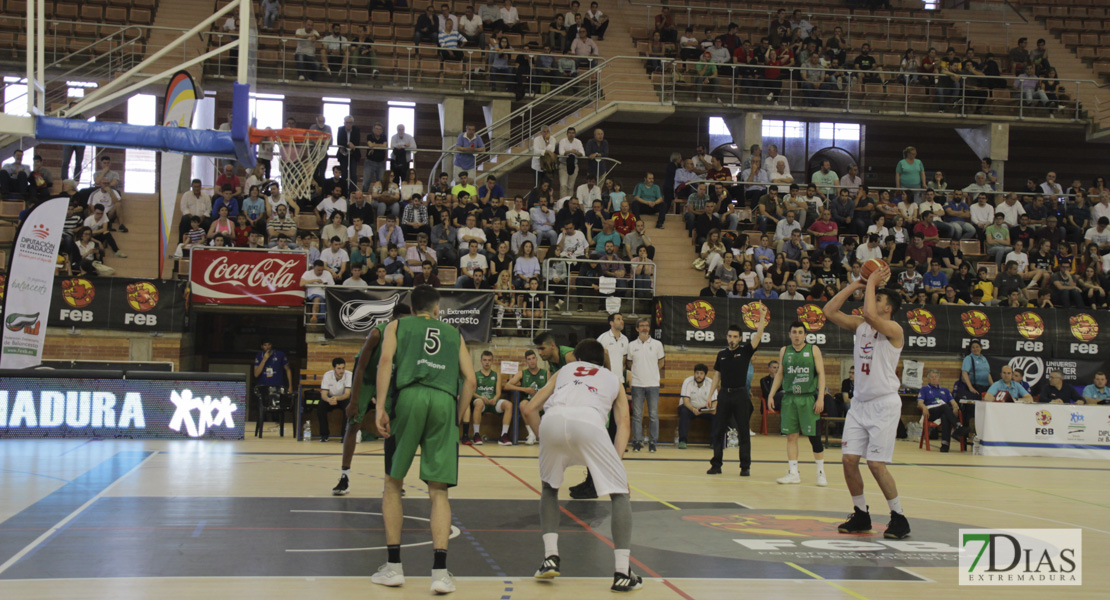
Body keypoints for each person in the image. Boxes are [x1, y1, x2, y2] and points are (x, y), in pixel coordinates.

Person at [372, 285, 477, 594]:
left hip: (408, 398)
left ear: (411, 306)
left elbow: (385, 362)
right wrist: (456, 417)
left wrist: (379, 407)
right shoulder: (453, 333)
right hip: (445, 400)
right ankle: (440, 574)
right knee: (439, 492)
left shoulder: (397, 325)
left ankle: (393, 568)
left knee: (393, 482)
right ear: (436, 309)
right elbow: (470, 380)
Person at [521, 338, 642, 592]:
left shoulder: (565, 370)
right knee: (620, 494)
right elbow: (624, 425)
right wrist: (616, 467)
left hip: (553, 420)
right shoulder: (614, 380)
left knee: (549, 487)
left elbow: (530, 409)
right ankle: (622, 572)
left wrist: (544, 440)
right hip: (589, 422)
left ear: (576, 358)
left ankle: (550, 558)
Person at [823, 261, 911, 540]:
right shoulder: (861, 326)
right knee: (849, 460)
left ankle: (899, 517)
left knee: (875, 464)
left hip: (884, 404)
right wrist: (857, 284)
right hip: (860, 405)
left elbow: (871, 315)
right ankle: (861, 514)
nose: (872, 299)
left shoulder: (893, 329)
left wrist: (872, 282)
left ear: (887, 307)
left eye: (878, 297)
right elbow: (829, 311)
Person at [332, 305, 412, 496]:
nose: (404, 324)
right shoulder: (377, 334)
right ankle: (344, 476)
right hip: (367, 379)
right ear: (393, 318)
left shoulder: (408, 336)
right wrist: (353, 401)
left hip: (389, 380)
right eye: (401, 319)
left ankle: (392, 479)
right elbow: (360, 368)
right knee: (353, 424)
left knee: (392, 428)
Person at [707, 312, 769, 477]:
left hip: (741, 395)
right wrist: (710, 395)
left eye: (735, 336)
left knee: (743, 431)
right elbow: (716, 376)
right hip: (724, 395)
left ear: (740, 338)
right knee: (718, 430)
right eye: (729, 336)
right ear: (726, 337)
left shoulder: (746, 351)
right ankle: (716, 464)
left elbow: (759, 334)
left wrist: (762, 317)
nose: (732, 339)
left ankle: (745, 466)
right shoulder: (722, 355)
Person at [766, 321, 828, 485]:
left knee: (814, 437)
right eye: (794, 332)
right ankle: (793, 473)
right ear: (789, 334)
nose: (797, 335)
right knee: (791, 436)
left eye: (800, 332)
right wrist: (771, 395)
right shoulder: (784, 350)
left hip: (808, 398)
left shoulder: (813, 349)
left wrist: (820, 397)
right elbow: (780, 374)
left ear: (805, 335)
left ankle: (821, 472)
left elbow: (821, 374)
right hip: (790, 398)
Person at [625, 317, 665, 453]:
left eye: (647, 325)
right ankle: (637, 441)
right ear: (637, 328)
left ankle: (653, 442)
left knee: (653, 415)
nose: (644, 328)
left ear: (649, 328)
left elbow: (661, 363)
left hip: (653, 384)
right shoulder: (631, 345)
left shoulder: (658, 344)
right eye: (641, 326)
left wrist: (651, 373)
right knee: (637, 415)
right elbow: (629, 364)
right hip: (637, 384)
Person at [465, 350, 511, 445]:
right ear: (481, 361)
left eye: (489, 360)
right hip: (480, 400)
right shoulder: (475, 374)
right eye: (485, 360)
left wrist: (495, 398)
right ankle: (476, 434)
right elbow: (472, 392)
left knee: (509, 405)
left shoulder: (497, 375)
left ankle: (504, 435)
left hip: (492, 401)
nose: (487, 362)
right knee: (479, 403)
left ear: (492, 361)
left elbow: (498, 392)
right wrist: (481, 397)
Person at [503, 349, 548, 444]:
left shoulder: (545, 373)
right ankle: (531, 434)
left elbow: (551, 389)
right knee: (523, 404)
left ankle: (547, 435)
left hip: (542, 402)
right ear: (526, 361)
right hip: (529, 401)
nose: (532, 361)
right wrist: (525, 389)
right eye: (529, 359)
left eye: (533, 358)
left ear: (537, 359)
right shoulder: (522, 373)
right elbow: (507, 386)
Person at [916, 369, 966, 453]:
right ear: (929, 379)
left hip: (944, 411)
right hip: (931, 412)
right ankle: (958, 426)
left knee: (945, 415)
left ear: (939, 378)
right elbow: (920, 402)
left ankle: (944, 445)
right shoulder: (924, 389)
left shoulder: (945, 390)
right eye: (932, 377)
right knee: (945, 406)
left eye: (936, 377)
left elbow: (953, 402)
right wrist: (924, 407)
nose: (934, 379)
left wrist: (956, 407)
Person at [677, 364, 715, 449]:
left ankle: (714, 442)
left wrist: (713, 409)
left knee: (716, 414)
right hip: (689, 407)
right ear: (694, 374)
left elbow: (715, 401)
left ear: (705, 375)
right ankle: (682, 441)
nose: (699, 376)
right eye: (697, 373)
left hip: (704, 409)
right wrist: (693, 409)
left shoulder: (711, 383)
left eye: (701, 373)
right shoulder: (687, 381)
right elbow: (685, 401)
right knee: (683, 412)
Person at [316, 357, 353, 443]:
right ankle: (324, 435)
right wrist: (328, 399)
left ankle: (345, 435)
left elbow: (347, 394)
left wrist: (336, 398)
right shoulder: (327, 375)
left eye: (343, 368)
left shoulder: (349, 375)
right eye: (339, 368)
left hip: (342, 398)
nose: (341, 371)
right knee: (320, 407)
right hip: (330, 398)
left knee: (348, 408)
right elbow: (323, 394)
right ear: (334, 369)